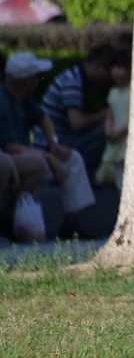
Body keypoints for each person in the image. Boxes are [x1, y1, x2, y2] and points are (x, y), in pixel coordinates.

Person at [0, 51, 96, 231]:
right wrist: (49, 157)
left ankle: (71, 220)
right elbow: (11, 147)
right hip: (13, 156)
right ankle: (10, 216)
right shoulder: (3, 102)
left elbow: (43, 118)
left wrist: (54, 143)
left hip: (27, 153)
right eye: (37, 77)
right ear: (26, 80)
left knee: (72, 158)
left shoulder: (23, 99)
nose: (38, 81)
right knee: (39, 164)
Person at [40, 44, 113, 180]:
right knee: (106, 130)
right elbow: (77, 123)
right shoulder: (73, 82)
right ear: (97, 67)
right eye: (108, 73)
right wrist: (104, 115)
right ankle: (88, 177)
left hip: (56, 141)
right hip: (54, 145)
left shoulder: (73, 75)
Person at [94, 47, 131, 189]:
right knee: (118, 177)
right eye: (114, 67)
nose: (116, 71)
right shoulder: (113, 92)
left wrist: (120, 132)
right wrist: (108, 130)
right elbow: (110, 114)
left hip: (127, 139)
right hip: (115, 139)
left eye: (121, 67)